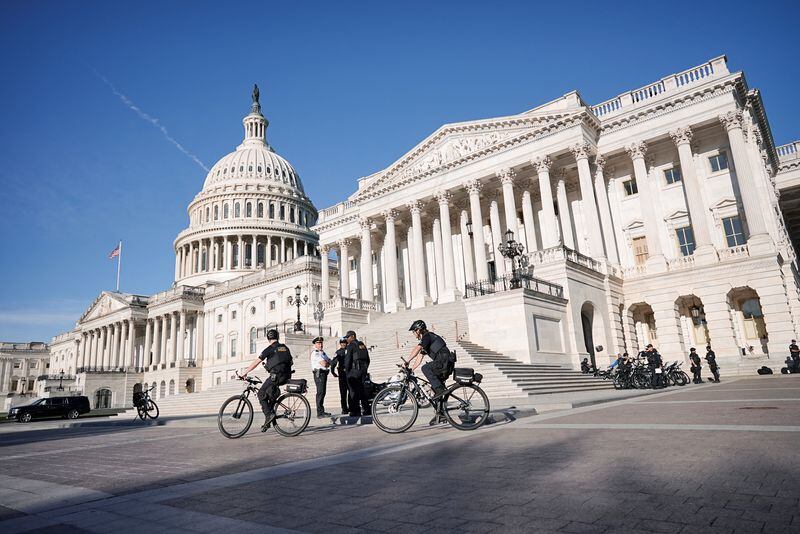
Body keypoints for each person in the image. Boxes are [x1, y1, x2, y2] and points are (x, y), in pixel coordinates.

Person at [241, 329, 293, 431]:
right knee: (270, 396)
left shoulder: (269, 349)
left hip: (276, 376)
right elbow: (291, 361)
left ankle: (269, 415)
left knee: (261, 393)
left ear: (268, 338)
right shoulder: (285, 347)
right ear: (277, 337)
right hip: (286, 376)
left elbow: (257, 362)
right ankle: (267, 423)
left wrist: (245, 372)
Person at [406, 320, 457, 425]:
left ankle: (440, 390)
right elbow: (420, 355)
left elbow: (417, 348)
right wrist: (412, 369)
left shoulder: (427, 336)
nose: (413, 334)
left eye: (414, 331)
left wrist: (407, 361)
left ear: (419, 330)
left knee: (426, 368)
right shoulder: (427, 340)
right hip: (445, 362)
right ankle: (441, 414)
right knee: (435, 391)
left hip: (444, 361)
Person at [343, 330, 371, 417]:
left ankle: (355, 411)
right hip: (363, 370)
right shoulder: (362, 345)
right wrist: (364, 369)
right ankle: (367, 409)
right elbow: (368, 359)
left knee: (353, 391)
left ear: (352, 337)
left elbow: (347, 361)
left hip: (354, 372)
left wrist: (347, 373)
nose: (347, 340)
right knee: (362, 390)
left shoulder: (350, 346)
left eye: (347, 337)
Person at [310, 336, 332, 418]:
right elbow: (325, 364)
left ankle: (321, 411)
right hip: (319, 374)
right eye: (318, 343)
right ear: (315, 344)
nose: (320, 345)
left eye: (321, 343)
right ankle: (320, 413)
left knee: (323, 392)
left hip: (323, 374)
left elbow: (329, 361)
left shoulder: (322, 353)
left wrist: (328, 362)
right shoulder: (315, 353)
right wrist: (327, 363)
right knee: (320, 393)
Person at [330, 337, 349, 415]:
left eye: (344, 343)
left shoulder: (348, 350)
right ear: (340, 344)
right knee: (343, 392)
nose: (343, 344)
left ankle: (351, 407)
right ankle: (344, 408)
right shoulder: (338, 352)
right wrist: (332, 371)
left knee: (351, 392)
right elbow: (333, 363)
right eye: (342, 343)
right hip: (342, 374)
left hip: (349, 373)